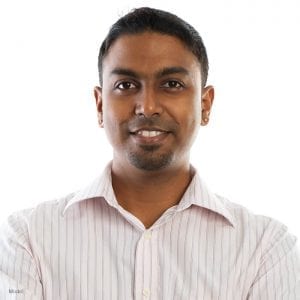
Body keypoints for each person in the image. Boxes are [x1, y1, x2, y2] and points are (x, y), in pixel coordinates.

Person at [0, 7, 299, 300]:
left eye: (172, 84)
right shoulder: (29, 239)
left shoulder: (265, 250)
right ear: (100, 105)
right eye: (126, 85)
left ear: (205, 105)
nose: (148, 106)